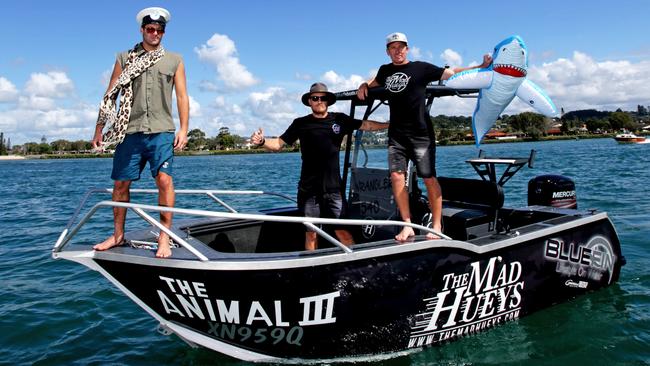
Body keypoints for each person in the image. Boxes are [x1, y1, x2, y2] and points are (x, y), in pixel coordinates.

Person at [357, 32, 491, 241]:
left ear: (407, 49)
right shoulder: (385, 71)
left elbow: (452, 73)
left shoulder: (421, 68)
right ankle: (407, 224)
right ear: (387, 51)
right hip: (397, 135)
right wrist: (363, 85)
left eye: (401, 47)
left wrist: (480, 68)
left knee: (428, 178)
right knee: (396, 176)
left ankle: (437, 225)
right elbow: (373, 81)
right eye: (393, 47)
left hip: (421, 134)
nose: (397, 51)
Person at [91, 7, 189, 258]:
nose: (154, 33)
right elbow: (110, 95)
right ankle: (117, 235)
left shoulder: (174, 60)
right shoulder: (124, 58)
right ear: (142, 30)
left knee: (164, 181)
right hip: (129, 132)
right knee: (121, 183)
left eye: (159, 30)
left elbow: (181, 96)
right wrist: (99, 128)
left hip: (162, 131)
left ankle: (164, 238)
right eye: (150, 29)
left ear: (163, 32)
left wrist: (184, 129)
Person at [251, 82, 388, 251]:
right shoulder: (300, 123)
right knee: (311, 233)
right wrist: (262, 142)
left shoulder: (340, 119)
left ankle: (353, 264)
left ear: (328, 101)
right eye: (315, 98)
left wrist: (389, 125)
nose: (319, 101)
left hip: (334, 190)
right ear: (309, 101)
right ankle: (312, 268)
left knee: (343, 231)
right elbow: (278, 144)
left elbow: (366, 125)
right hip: (309, 190)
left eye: (322, 98)